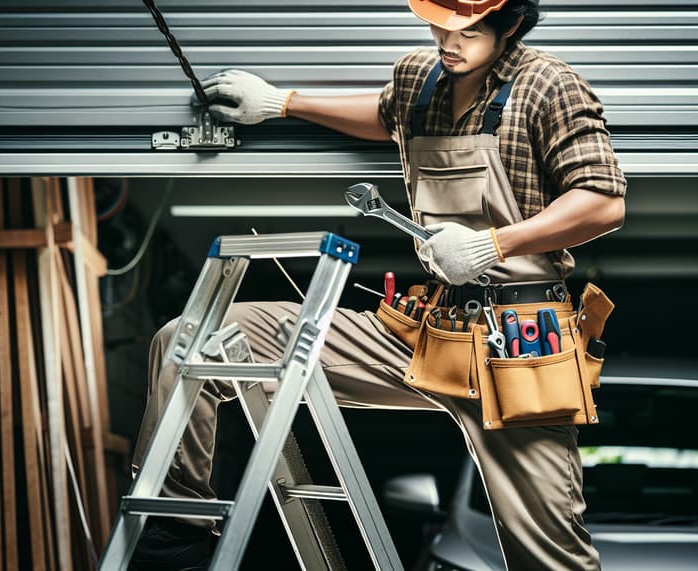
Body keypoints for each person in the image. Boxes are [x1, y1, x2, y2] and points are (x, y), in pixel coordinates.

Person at [131, 0, 625, 569]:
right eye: (439, 25)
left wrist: (493, 245)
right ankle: (175, 533)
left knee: (550, 556)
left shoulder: (549, 86)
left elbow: (602, 202)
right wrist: (281, 102)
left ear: (510, 24)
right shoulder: (418, 76)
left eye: (466, 32)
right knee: (193, 337)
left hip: (519, 347)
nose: (448, 42)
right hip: (427, 330)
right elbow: (385, 115)